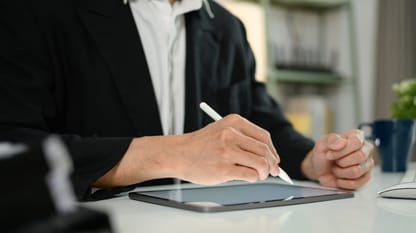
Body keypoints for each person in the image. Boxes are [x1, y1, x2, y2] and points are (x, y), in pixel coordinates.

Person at [0, 0, 374, 200]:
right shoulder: (37, 10)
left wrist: (312, 160)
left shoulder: (227, 27)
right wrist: (173, 154)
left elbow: (262, 120)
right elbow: (11, 144)